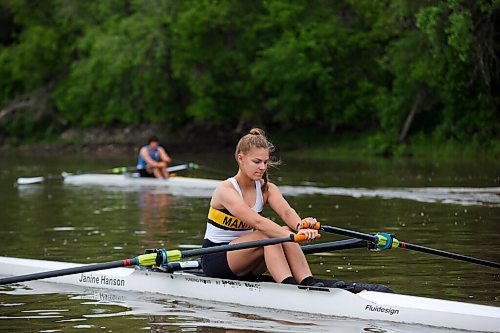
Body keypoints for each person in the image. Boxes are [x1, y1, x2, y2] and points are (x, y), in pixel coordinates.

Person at [201, 128, 322, 286]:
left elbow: (286, 212)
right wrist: (293, 237)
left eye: (265, 162)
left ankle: (308, 282)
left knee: (284, 230)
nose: (263, 167)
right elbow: (258, 222)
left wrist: (301, 227)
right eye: (257, 162)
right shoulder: (226, 190)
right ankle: (289, 286)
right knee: (268, 235)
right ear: (240, 159)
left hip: (248, 258)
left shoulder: (267, 189)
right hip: (215, 257)